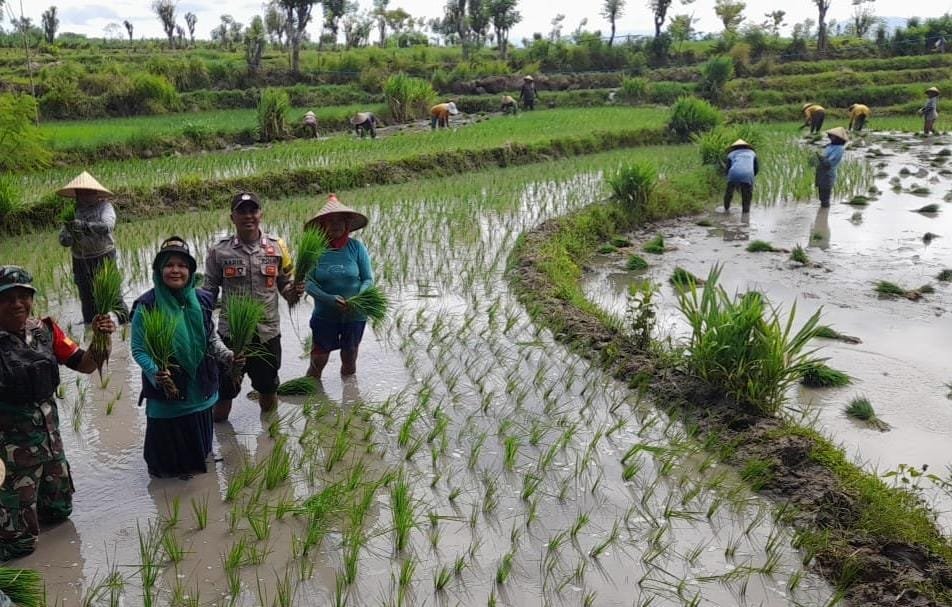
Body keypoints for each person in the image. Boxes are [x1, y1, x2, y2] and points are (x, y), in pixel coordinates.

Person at [0, 265, 115, 559]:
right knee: (19, 544)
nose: (17, 304)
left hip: (52, 449)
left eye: (23, 296)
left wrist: (102, 340)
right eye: (7, 298)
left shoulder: (46, 331)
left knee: (59, 515)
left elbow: (86, 365)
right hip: (11, 460)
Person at [131, 237, 240, 478]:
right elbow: (138, 349)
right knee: (166, 472)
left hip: (200, 392)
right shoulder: (147, 305)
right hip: (167, 397)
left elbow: (210, 339)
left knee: (201, 464)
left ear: (190, 271)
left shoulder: (201, 300)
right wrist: (157, 374)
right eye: (169, 265)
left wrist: (228, 355)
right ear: (159, 270)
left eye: (182, 265)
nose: (176, 270)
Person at [203, 192, 301, 422]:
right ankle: (221, 438)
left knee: (268, 388)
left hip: (266, 333)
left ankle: (270, 434)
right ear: (232, 217)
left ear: (260, 214)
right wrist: (200, 324)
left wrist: (295, 292)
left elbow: (285, 287)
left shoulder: (278, 248)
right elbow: (208, 293)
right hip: (231, 335)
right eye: (242, 211)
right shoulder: (219, 251)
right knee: (224, 392)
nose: (248, 216)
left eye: (253, 210)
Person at [303, 194, 374, 379]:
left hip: (354, 314)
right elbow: (307, 282)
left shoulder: (356, 248)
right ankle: (312, 392)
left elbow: (368, 279)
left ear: (347, 224)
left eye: (339, 220)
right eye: (330, 220)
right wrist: (328, 299)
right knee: (318, 361)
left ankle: (349, 394)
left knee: (349, 359)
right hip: (325, 315)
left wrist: (358, 298)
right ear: (323, 225)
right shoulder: (314, 250)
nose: (335, 225)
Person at [56, 171, 130, 326]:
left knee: (113, 295)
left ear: (95, 193)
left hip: (104, 256)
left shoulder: (105, 207)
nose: (83, 196)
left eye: (87, 192)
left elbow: (107, 226)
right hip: (80, 260)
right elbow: (63, 240)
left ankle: (126, 326)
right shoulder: (72, 212)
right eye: (80, 192)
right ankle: (91, 331)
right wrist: (71, 234)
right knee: (87, 299)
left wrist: (84, 226)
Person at [813, 127, 849, 208]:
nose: (831, 137)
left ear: (838, 138)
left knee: (825, 197)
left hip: (828, 174)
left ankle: (824, 212)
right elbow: (824, 158)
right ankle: (823, 213)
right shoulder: (830, 146)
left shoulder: (839, 149)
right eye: (831, 135)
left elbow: (829, 163)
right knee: (821, 196)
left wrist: (820, 158)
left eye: (833, 136)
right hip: (821, 173)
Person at [723, 139, 759, 214]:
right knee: (746, 196)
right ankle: (745, 215)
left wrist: (729, 180)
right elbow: (756, 168)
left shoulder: (731, 154)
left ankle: (726, 209)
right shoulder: (752, 153)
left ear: (734, 147)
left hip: (733, 174)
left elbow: (727, 169)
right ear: (747, 146)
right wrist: (751, 178)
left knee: (729, 193)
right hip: (748, 174)